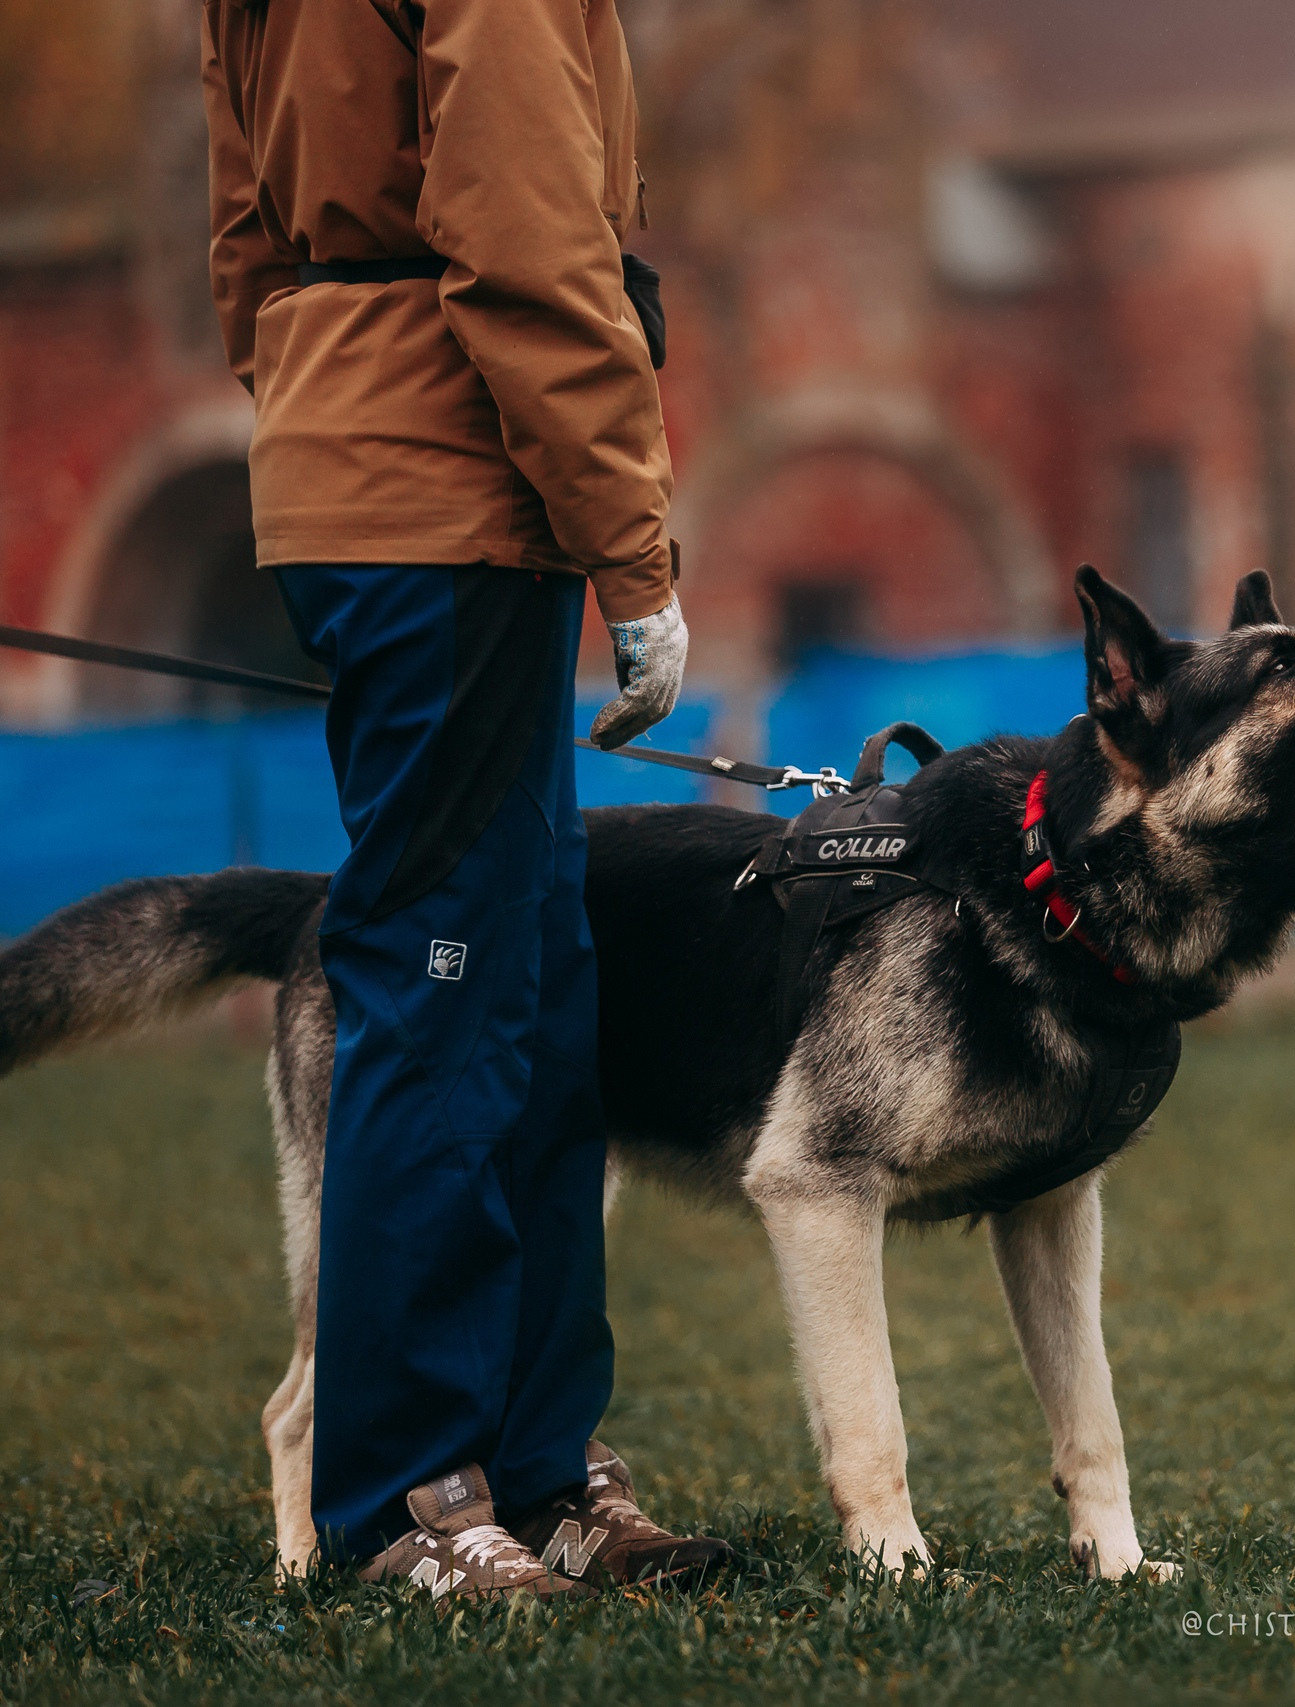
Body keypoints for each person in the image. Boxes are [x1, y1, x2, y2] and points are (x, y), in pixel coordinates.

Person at [201, 0, 722, 1597]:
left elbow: (245, 242)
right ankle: (407, 1503)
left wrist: (322, 417)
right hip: (454, 487)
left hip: (385, 471)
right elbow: (527, 234)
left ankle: (546, 1471)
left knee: (538, 990)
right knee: (445, 995)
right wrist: (633, 552)